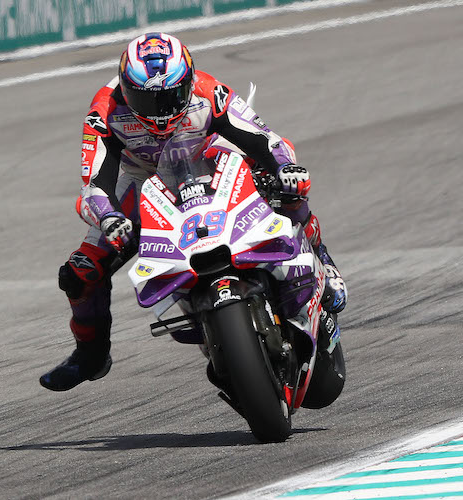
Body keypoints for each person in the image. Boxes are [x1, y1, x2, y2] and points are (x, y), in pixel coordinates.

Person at [40, 32, 347, 392]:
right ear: (125, 88)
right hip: (145, 182)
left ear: (187, 81)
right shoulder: (103, 112)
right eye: (145, 98)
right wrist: (109, 217)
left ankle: (321, 260)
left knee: (287, 184)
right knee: (80, 272)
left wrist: (283, 167)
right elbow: (93, 184)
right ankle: (91, 355)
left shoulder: (209, 92)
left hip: (214, 158)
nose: (161, 110)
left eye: (170, 96)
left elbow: (266, 139)